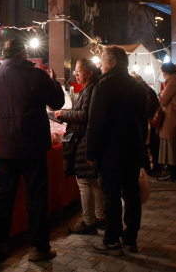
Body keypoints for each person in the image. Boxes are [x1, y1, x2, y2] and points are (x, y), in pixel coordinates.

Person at [0, 39, 65, 261]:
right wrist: (55, 82)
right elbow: (57, 104)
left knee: (3, 199)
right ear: (25, 54)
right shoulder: (38, 76)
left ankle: (1, 245)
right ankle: (39, 248)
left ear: (3, 56)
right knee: (36, 198)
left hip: (3, 150)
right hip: (33, 148)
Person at [86, 46, 148, 255]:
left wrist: (91, 152)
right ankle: (130, 239)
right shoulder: (137, 86)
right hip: (132, 149)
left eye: (103, 60)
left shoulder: (104, 85)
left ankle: (112, 240)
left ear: (112, 62)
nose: (100, 64)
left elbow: (96, 122)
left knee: (111, 197)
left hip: (110, 151)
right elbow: (143, 122)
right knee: (132, 195)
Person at [55, 58, 104, 235]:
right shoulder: (90, 88)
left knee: (85, 182)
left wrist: (65, 115)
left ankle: (89, 221)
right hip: (87, 138)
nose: (76, 73)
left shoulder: (91, 89)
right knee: (93, 182)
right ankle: (99, 217)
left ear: (89, 73)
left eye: (79, 70)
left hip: (84, 140)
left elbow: (84, 114)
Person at [156, 62, 176, 181]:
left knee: (170, 145)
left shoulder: (172, 82)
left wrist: (161, 94)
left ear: (165, 72)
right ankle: (173, 171)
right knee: (172, 145)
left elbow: (163, 101)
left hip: (170, 117)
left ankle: (173, 172)